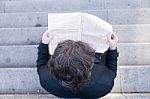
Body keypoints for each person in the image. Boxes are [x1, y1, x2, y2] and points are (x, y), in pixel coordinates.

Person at [36, 30, 119, 99]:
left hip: (61, 91)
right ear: (89, 64)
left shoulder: (46, 80)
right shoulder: (104, 84)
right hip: (93, 92)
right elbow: (112, 70)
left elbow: (41, 64)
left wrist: (44, 43)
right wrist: (113, 48)